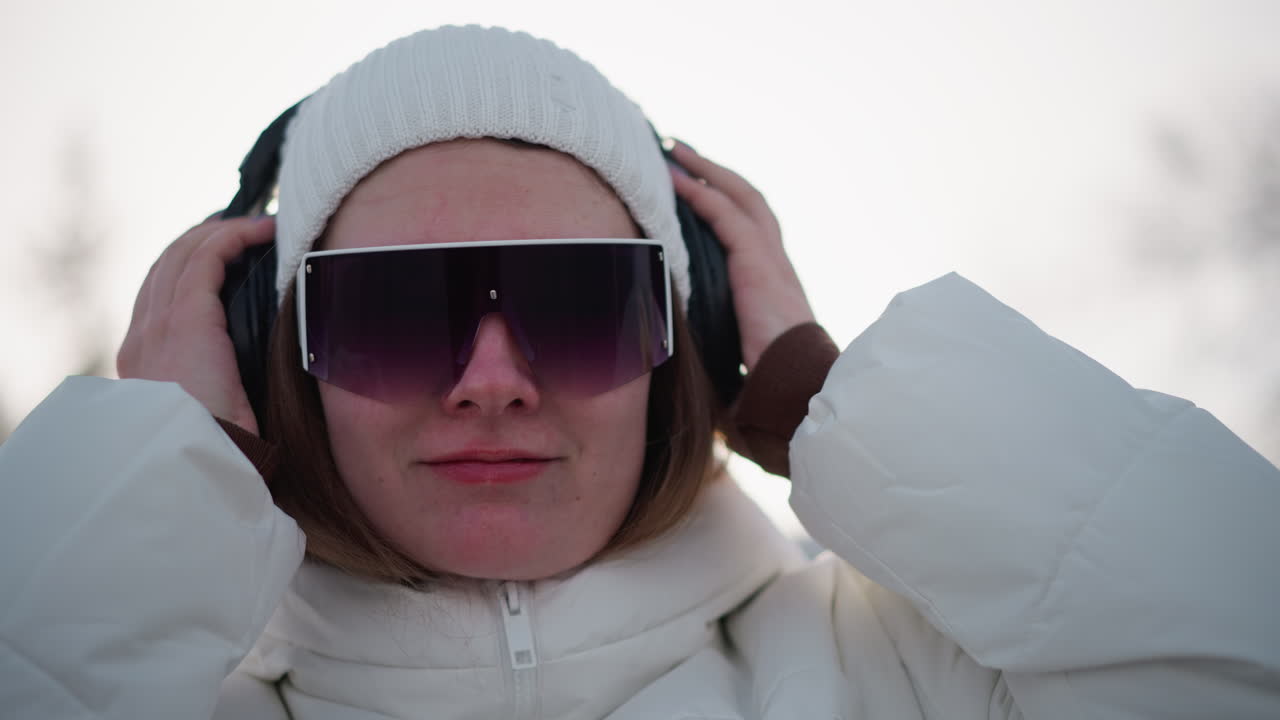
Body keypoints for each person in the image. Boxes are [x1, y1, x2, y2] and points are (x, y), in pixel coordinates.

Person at [1, 25, 1278, 720]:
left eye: (575, 301)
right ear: (278, 359)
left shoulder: (910, 677)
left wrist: (838, 403)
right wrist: (157, 486)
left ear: (696, 342)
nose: (490, 379)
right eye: (395, 309)